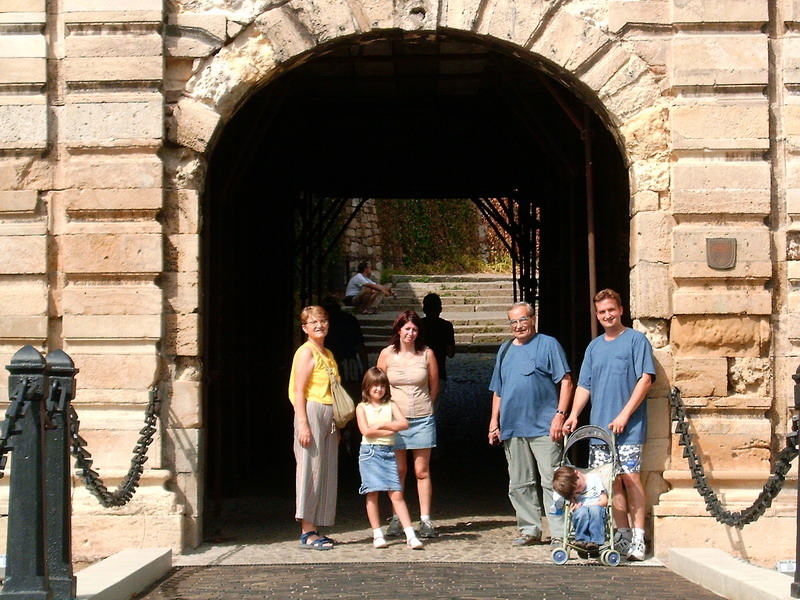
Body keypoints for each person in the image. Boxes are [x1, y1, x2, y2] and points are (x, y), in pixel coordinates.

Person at [563, 288, 655, 561]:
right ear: (597, 315)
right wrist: (574, 414)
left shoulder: (636, 340)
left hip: (629, 428)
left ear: (621, 310)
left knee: (631, 479)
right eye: (602, 312)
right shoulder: (594, 347)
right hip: (600, 430)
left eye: (611, 310)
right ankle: (622, 534)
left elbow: (645, 380)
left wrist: (625, 414)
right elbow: (585, 384)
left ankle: (638, 537)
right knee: (609, 482)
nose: (607, 315)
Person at [488, 301, 573, 547]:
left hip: (544, 426)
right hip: (513, 427)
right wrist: (494, 422)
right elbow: (498, 390)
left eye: (523, 319)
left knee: (553, 481)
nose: (518, 325)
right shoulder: (505, 350)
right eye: (513, 322)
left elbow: (566, 381)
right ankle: (529, 530)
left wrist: (560, 415)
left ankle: (559, 532)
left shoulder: (548, 344)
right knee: (519, 483)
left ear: (533, 319)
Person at [377, 310, 439, 538]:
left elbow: (434, 385)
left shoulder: (427, 354)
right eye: (407, 329)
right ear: (399, 330)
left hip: (422, 417)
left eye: (414, 329)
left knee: (422, 471)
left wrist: (427, 406)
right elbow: (377, 385)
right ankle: (397, 518)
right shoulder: (386, 354)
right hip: (396, 420)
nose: (410, 333)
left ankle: (425, 519)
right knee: (398, 470)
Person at [287, 305, 339, 550]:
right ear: (305, 327)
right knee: (309, 469)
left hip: (327, 414)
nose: (319, 325)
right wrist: (303, 424)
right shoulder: (306, 352)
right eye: (313, 322)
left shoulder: (326, 353)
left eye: (323, 320)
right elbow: (299, 391)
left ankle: (316, 527)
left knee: (325, 472)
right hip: (312, 412)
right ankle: (307, 531)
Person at [356, 367, 424, 549]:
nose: (379, 389)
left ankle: (410, 534)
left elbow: (404, 423)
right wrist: (390, 430)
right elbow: (366, 431)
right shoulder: (362, 407)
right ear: (367, 387)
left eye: (382, 386)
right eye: (375, 385)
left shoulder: (391, 405)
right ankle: (377, 534)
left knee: (396, 493)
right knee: (372, 493)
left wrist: (384, 424)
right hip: (369, 453)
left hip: (388, 452)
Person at [321, 295, 369, 456]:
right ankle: (353, 438)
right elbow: (360, 345)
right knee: (352, 404)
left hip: (332, 367)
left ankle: (340, 439)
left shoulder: (325, 323)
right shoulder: (349, 320)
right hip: (349, 365)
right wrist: (365, 367)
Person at [552, 465, 608, 552]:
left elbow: (604, 501)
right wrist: (573, 507)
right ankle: (582, 541)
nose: (580, 491)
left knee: (595, 510)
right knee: (581, 512)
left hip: (597, 507)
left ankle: (596, 541)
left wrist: (589, 506)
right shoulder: (571, 490)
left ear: (577, 473)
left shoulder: (593, 478)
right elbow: (573, 505)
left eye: (579, 487)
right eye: (576, 493)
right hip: (582, 509)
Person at [421, 292, 455, 406]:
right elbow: (451, 353)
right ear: (440, 309)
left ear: (424, 309)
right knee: (434, 409)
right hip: (439, 373)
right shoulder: (446, 326)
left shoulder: (418, 326)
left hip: (419, 373)